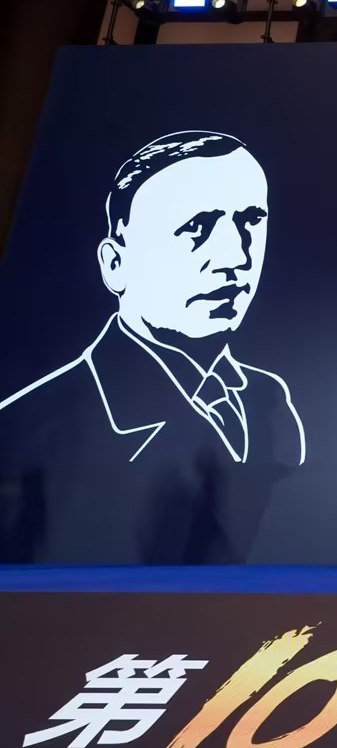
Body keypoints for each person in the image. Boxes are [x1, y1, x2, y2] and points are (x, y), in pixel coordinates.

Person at [0, 130, 303, 564]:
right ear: (115, 263)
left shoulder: (269, 402)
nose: (236, 256)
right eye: (197, 227)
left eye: (250, 221)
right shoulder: (30, 430)